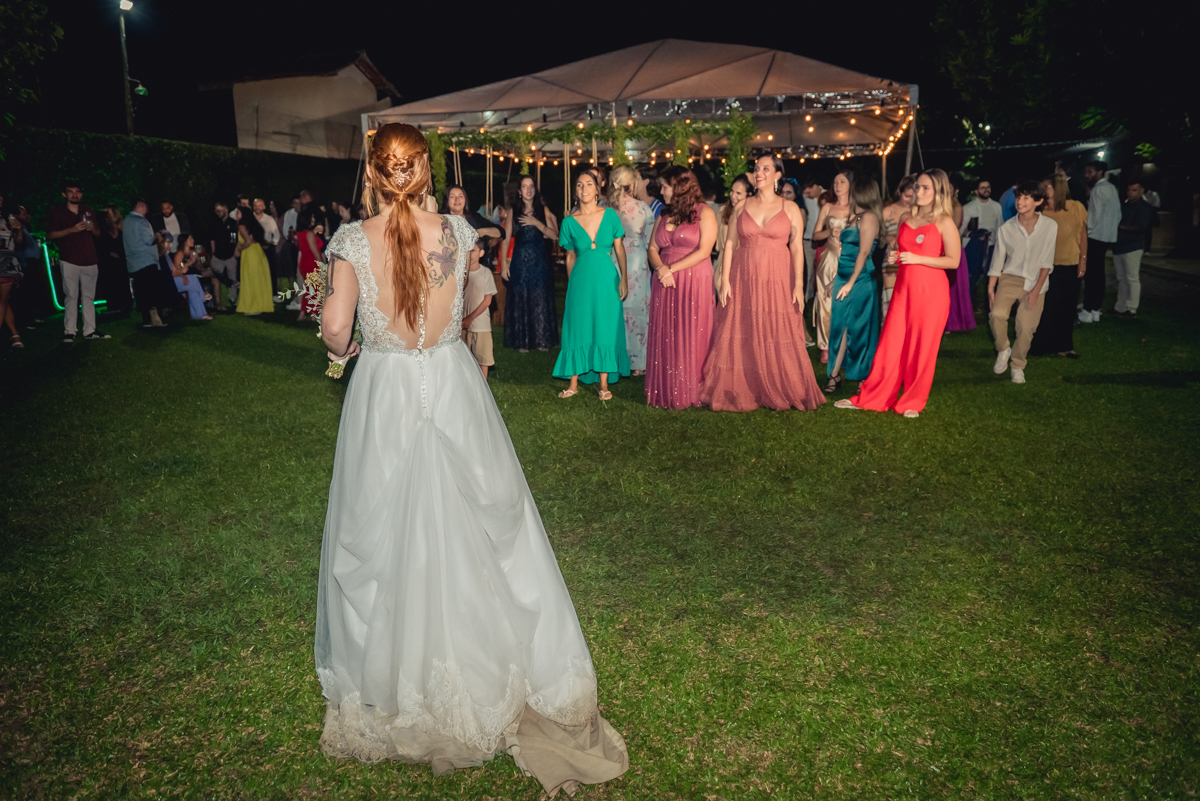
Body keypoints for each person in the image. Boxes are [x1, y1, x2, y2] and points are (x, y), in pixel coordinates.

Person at [314, 123, 628, 793]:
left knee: (384, 524)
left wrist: (340, 350)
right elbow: (461, 312)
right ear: (425, 173)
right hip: (451, 381)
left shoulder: (349, 242)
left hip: (387, 389)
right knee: (483, 520)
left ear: (373, 175)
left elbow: (337, 328)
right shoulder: (457, 234)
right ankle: (489, 652)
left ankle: (400, 666)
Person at [699, 155, 824, 412]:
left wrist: (799, 285)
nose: (759, 172)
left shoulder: (790, 208)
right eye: (756, 168)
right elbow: (730, 244)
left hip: (778, 274)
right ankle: (746, 384)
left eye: (766, 168)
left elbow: (798, 248)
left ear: (778, 175)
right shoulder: (742, 206)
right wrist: (724, 280)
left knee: (777, 326)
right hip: (743, 275)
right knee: (742, 327)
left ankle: (782, 383)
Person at [834, 169, 961, 417]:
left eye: (926, 188)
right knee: (890, 344)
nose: (919, 192)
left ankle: (912, 401)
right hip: (903, 290)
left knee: (921, 348)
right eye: (918, 187)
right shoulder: (906, 218)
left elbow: (953, 261)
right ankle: (872, 396)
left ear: (938, 192)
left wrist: (917, 258)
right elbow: (904, 250)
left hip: (931, 293)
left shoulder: (944, 221)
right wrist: (897, 256)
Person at [645, 167, 716, 408]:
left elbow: (705, 250)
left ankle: (692, 387)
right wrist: (660, 269)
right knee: (667, 331)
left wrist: (671, 269)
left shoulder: (704, 213)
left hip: (692, 278)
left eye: (665, 186)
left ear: (679, 187)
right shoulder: (663, 215)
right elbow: (653, 248)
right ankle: (666, 386)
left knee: (690, 328)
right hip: (664, 280)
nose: (661, 190)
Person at [554, 172, 629, 399]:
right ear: (575, 191)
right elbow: (569, 257)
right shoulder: (569, 221)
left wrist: (624, 277)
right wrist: (571, 284)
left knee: (605, 325)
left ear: (598, 189)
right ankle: (573, 383)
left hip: (607, 279)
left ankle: (604, 384)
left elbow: (619, 249)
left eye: (588, 184)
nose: (583, 188)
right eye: (579, 185)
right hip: (580, 281)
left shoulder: (611, 215)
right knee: (578, 326)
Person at [987, 181, 1057, 384]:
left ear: (1038, 201)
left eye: (1026, 197)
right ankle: (1003, 348)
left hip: (1036, 280)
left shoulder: (1050, 226)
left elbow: (1047, 261)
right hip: (1010, 278)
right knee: (997, 314)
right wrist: (991, 287)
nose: (1020, 201)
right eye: (1018, 197)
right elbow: (997, 260)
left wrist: (1036, 290)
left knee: (1026, 328)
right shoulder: (1006, 228)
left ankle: (1017, 365)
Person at [825, 178, 882, 394]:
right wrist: (837, 279)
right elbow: (846, 252)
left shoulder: (869, 217)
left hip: (860, 280)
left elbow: (864, 252)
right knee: (839, 328)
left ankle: (861, 376)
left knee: (858, 329)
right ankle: (834, 374)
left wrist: (849, 282)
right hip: (844, 277)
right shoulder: (854, 217)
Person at [1029, 174, 1088, 358]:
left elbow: (1083, 235)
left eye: (1047, 186)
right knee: (1043, 306)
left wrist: (1083, 260)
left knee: (1067, 307)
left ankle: (1064, 346)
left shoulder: (1075, 208)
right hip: (1044, 266)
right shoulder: (1039, 210)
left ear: (1058, 188)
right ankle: (1039, 345)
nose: (1044, 190)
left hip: (1069, 263)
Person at [502, 176, 559, 352]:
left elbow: (554, 235)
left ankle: (542, 339)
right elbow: (505, 238)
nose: (528, 190)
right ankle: (522, 340)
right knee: (521, 297)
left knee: (540, 297)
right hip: (520, 260)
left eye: (531, 186)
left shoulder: (543, 210)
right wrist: (504, 264)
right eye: (524, 187)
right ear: (519, 191)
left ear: (535, 189)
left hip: (539, 259)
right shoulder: (514, 211)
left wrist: (536, 223)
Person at [608, 165, 655, 375]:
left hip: (611, 259)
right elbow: (651, 238)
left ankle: (615, 359)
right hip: (636, 259)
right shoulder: (643, 208)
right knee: (638, 312)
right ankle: (637, 364)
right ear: (633, 183)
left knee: (615, 310)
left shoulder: (604, 207)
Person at [48, 181, 108, 342]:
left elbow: (98, 233)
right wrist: (71, 230)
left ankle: (90, 330)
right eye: (70, 191)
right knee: (71, 295)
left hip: (90, 259)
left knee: (89, 297)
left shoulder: (87, 210)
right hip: (69, 259)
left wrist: (92, 229)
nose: (74, 194)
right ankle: (70, 331)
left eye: (77, 191)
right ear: (64, 194)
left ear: (81, 194)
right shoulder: (58, 212)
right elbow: (51, 235)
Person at [811, 171, 853, 363]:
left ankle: (848, 345)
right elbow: (815, 235)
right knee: (826, 302)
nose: (837, 185)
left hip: (850, 260)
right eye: (835, 182)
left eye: (842, 182)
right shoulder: (827, 207)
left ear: (850, 184)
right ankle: (826, 346)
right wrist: (829, 232)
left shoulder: (857, 208)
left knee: (849, 303)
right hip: (829, 260)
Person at [1109, 181, 1155, 318]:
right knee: (1122, 278)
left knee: (1131, 278)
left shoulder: (1144, 208)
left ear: (1141, 191)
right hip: (1121, 245)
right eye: (1129, 190)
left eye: (1134, 190)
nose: (1130, 193)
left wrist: (1120, 226)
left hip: (1133, 246)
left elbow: (1141, 227)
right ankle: (1121, 306)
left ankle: (1131, 308)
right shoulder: (1125, 205)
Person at [1080, 161, 1119, 323]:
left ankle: (1088, 310)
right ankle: (1095, 309)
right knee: (1099, 274)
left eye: (1090, 172)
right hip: (1107, 237)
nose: (1086, 175)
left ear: (1100, 172)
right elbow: (1118, 215)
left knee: (1091, 275)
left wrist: (1084, 235)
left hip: (1094, 237)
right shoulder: (1111, 188)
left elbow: (1093, 218)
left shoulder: (1098, 189)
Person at [123, 199, 167, 328]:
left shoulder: (126, 221)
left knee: (140, 290)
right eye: (146, 207)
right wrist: (158, 236)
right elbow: (149, 240)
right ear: (142, 206)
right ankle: (156, 317)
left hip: (133, 262)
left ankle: (146, 319)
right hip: (146, 260)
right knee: (151, 290)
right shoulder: (142, 221)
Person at [880, 176, 916, 320]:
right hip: (891, 259)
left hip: (912, 258)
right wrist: (889, 238)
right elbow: (877, 234)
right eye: (906, 195)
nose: (909, 200)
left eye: (912, 197)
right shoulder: (888, 211)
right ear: (899, 192)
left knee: (909, 297)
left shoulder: (918, 212)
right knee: (891, 296)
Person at [461, 240, 498, 378]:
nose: (469, 254)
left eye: (473, 250)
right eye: (467, 250)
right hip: (463, 323)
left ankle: (483, 386)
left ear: (481, 253)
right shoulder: (461, 273)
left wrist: (471, 317)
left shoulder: (485, 273)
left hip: (480, 324)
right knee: (464, 356)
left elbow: (487, 300)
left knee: (483, 358)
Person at [945, 176, 976, 333]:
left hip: (952, 248)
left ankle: (953, 322)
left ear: (956, 191)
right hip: (943, 247)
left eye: (949, 188)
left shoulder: (956, 207)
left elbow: (954, 228)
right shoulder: (942, 205)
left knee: (953, 287)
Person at [716, 175, 753, 293]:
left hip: (745, 267)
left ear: (749, 195)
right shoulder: (722, 211)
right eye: (732, 191)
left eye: (738, 193)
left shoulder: (753, 216)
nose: (733, 196)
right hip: (722, 266)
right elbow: (718, 245)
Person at [234, 216, 274, 315]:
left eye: (238, 212)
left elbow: (247, 242)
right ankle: (260, 304)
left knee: (251, 279)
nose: (236, 214)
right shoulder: (252, 226)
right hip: (257, 251)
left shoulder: (242, 226)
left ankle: (253, 306)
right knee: (258, 279)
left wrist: (239, 249)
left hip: (250, 253)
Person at [96, 206, 132, 315]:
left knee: (122, 282)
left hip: (120, 260)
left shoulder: (120, 228)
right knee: (110, 283)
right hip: (108, 262)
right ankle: (114, 305)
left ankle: (124, 305)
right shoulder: (103, 228)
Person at [170, 233, 212, 320]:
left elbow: (199, 266)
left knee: (193, 292)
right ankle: (203, 295)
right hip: (179, 279)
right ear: (185, 242)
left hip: (188, 279)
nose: (192, 240)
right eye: (190, 239)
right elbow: (177, 271)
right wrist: (190, 262)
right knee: (193, 279)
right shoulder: (180, 254)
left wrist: (196, 261)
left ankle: (200, 315)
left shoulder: (192, 252)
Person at [294, 207, 323, 321]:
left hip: (304, 262)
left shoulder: (301, 233)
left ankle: (303, 313)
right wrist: (321, 264)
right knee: (315, 289)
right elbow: (314, 250)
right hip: (311, 262)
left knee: (309, 288)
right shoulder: (309, 233)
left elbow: (303, 248)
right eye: (311, 217)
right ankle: (314, 315)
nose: (313, 218)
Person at [0, 211, 24, 348]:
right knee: (3, 299)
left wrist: (18, 230)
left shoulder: (7, 219)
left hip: (7, 262)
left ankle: (15, 335)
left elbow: (18, 241)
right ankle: (15, 334)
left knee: (2, 299)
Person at [210, 202, 240, 309]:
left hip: (230, 254)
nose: (218, 213)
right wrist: (213, 252)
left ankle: (232, 300)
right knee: (216, 276)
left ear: (225, 209)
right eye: (216, 211)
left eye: (220, 211)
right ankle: (218, 301)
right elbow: (212, 239)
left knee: (232, 276)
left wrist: (235, 253)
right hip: (218, 255)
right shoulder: (215, 223)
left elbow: (236, 240)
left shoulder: (233, 223)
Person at [800, 179, 822, 300]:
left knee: (820, 270)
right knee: (808, 270)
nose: (807, 196)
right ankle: (807, 298)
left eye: (809, 193)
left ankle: (818, 297)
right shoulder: (803, 198)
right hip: (807, 240)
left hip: (823, 241)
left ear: (815, 186)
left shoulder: (827, 195)